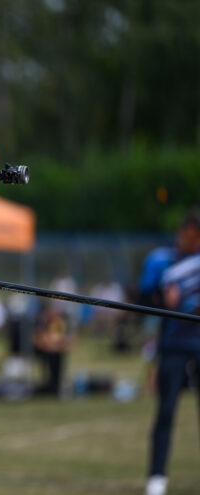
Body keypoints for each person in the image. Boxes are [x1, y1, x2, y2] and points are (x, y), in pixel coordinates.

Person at [140, 208, 200, 495]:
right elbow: (142, 297)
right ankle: (157, 477)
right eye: (192, 235)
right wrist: (163, 299)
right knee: (165, 412)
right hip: (173, 346)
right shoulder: (161, 260)